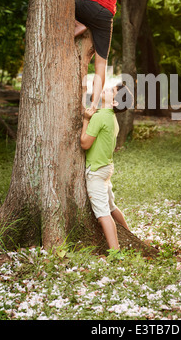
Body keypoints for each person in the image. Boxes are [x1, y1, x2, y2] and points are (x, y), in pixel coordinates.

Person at [75, 0, 175, 115]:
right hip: (105, 16)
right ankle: (93, 106)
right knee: (101, 65)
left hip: (85, 8)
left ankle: (78, 24)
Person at [80, 83, 133, 252]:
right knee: (111, 207)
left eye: (112, 91)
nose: (107, 89)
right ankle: (131, 236)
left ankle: (115, 253)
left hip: (96, 171)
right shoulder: (111, 118)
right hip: (106, 169)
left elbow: (85, 143)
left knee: (103, 214)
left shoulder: (100, 116)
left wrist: (86, 120)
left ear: (115, 102)